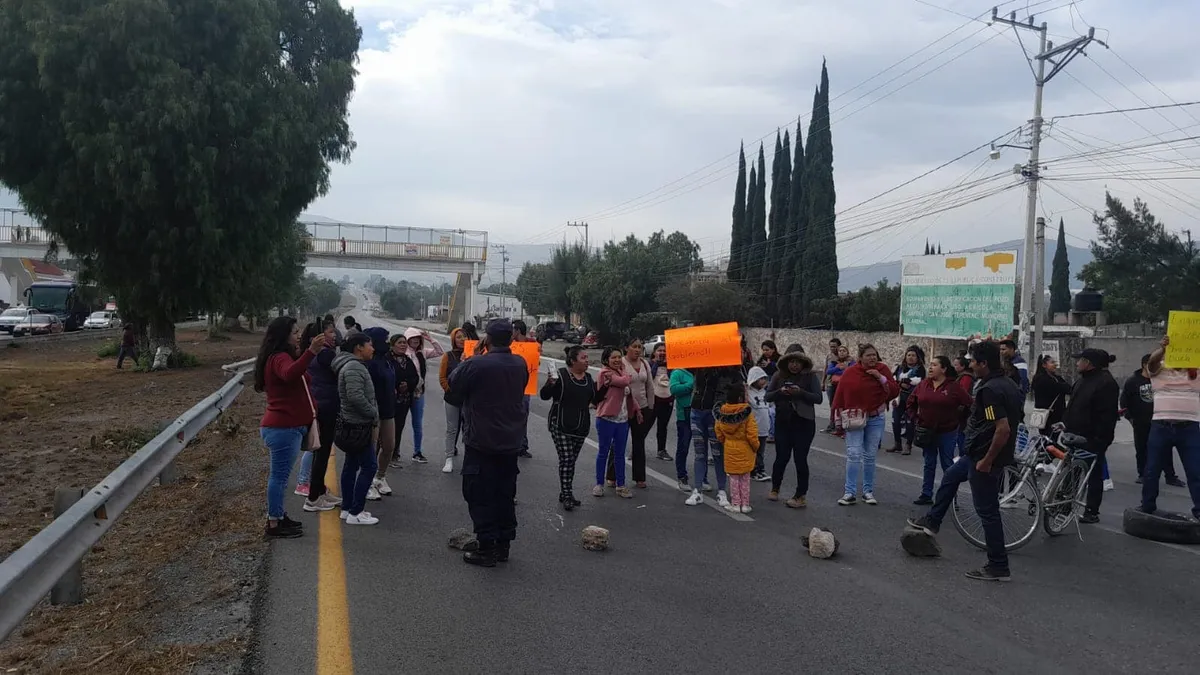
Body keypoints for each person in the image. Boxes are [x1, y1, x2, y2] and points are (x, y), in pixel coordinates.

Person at [907, 340, 1022, 582]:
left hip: (985, 457)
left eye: (973, 362)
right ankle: (933, 521)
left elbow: (1001, 428)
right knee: (950, 477)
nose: (971, 366)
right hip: (976, 453)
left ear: (983, 363)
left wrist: (987, 460)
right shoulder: (1007, 384)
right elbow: (999, 420)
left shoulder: (990, 391)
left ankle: (998, 566)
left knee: (988, 512)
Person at [448, 319, 529, 567]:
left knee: (479, 493)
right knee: (504, 493)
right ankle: (503, 544)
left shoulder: (476, 364)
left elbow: (453, 387)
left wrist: (469, 358)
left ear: (488, 339)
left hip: (481, 440)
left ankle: (486, 547)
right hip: (511, 440)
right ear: (512, 339)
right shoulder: (520, 363)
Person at [254, 316, 324, 538]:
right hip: (283, 428)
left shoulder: (283, 356)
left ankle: (278, 515)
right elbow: (289, 373)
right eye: (294, 332)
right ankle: (274, 524)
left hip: (288, 427)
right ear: (283, 335)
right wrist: (311, 352)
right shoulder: (278, 358)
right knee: (279, 478)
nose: (298, 335)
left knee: (281, 477)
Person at [1138, 336, 1200, 522]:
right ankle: (1147, 505)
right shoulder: (1159, 369)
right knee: (1152, 470)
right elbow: (1152, 362)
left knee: (1195, 471)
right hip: (1161, 426)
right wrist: (1163, 349)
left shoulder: (1195, 371)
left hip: (1189, 428)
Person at [832, 344, 900, 506]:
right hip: (855, 418)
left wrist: (880, 377)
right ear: (860, 357)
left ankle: (868, 492)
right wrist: (838, 419)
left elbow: (894, 390)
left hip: (876, 417)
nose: (872, 358)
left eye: (874, 355)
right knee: (854, 454)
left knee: (870, 455)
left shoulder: (882, 369)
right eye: (868, 355)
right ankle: (849, 492)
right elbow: (841, 395)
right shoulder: (851, 372)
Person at [1061, 348, 1119, 524]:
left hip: (1092, 438)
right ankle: (1064, 504)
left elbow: (1107, 416)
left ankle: (1092, 511)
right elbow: (1073, 406)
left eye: (1080, 360)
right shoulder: (1082, 380)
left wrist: (1099, 439)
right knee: (1070, 471)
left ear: (1089, 363)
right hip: (1074, 434)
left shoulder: (1106, 383)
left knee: (1093, 474)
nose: (1077, 363)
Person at [905, 355, 972, 506]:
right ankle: (926, 494)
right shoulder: (924, 384)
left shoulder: (953, 387)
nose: (930, 367)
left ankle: (950, 498)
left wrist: (962, 420)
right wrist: (916, 418)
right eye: (930, 364)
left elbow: (970, 404)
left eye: (934, 365)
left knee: (947, 465)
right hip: (927, 431)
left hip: (947, 431)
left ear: (944, 369)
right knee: (929, 463)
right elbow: (911, 402)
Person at [332, 333, 381, 526]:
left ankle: (347, 508)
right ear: (359, 347)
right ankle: (356, 511)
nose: (373, 349)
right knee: (369, 466)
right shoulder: (353, 367)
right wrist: (373, 413)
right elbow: (355, 396)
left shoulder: (354, 365)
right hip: (357, 425)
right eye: (370, 345)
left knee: (351, 465)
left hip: (353, 424)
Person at [765, 349, 823, 508]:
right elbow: (768, 396)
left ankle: (800, 495)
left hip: (804, 422)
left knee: (800, 459)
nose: (794, 365)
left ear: (803, 363)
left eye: (798, 362)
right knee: (781, 457)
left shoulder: (810, 377)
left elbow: (818, 398)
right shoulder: (778, 376)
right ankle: (775, 488)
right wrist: (780, 392)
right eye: (791, 362)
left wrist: (800, 392)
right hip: (783, 422)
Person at [296, 320, 343, 514]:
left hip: (319, 405)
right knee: (322, 453)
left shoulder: (313, 353)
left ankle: (320, 490)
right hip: (326, 406)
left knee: (320, 452)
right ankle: (313, 497)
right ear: (320, 336)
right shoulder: (326, 354)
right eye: (330, 332)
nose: (335, 335)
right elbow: (341, 373)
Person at [540, 346, 594, 511]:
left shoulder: (588, 378)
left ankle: (565, 491)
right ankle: (567, 494)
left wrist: (606, 386)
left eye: (587, 357)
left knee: (571, 461)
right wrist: (550, 383)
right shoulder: (561, 376)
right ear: (572, 361)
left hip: (581, 425)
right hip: (560, 423)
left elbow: (595, 399)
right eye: (583, 358)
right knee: (567, 459)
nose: (587, 361)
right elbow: (544, 396)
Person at [1122, 353, 1186, 486]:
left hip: (1161, 421)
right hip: (1141, 422)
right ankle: (1143, 474)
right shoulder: (1133, 381)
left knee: (1166, 449)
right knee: (1142, 448)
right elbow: (1124, 402)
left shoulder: (1160, 380)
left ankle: (1170, 476)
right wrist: (1131, 418)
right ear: (1145, 365)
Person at [685, 364, 741, 507]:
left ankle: (722, 491)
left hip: (716, 413)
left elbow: (738, 386)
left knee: (718, 453)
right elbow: (687, 367)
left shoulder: (729, 370)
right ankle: (698, 490)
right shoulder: (699, 366)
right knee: (699, 453)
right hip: (697, 410)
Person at [392, 327, 445, 464]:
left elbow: (440, 351)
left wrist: (430, 339)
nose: (415, 341)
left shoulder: (421, 353)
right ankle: (394, 452)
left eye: (417, 338)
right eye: (412, 338)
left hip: (418, 393)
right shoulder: (404, 353)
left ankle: (417, 452)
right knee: (399, 424)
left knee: (417, 424)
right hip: (404, 393)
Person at [607, 337, 654, 488]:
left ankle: (640, 477)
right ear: (627, 348)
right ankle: (612, 475)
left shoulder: (645, 363)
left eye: (640, 347)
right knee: (618, 442)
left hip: (642, 408)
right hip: (623, 408)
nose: (637, 350)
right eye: (634, 346)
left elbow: (650, 386)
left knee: (639, 442)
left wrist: (650, 407)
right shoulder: (620, 363)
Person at [594, 347, 639, 499]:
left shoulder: (621, 372)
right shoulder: (605, 373)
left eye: (619, 357)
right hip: (606, 419)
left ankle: (621, 485)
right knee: (603, 452)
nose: (617, 360)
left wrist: (636, 410)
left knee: (620, 454)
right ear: (606, 360)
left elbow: (628, 394)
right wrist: (626, 371)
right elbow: (625, 381)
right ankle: (599, 484)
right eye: (613, 357)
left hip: (623, 420)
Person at [359, 328, 397, 500]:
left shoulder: (387, 360)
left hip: (388, 409)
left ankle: (380, 477)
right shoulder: (368, 362)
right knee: (371, 449)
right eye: (385, 339)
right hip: (373, 411)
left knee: (389, 445)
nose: (388, 343)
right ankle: (366, 483)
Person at [715, 385, 759, 514]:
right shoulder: (747, 413)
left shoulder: (722, 412)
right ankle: (745, 504)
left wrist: (726, 442)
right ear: (740, 397)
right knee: (745, 478)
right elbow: (752, 434)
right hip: (745, 449)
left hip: (730, 448)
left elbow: (719, 432)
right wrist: (755, 447)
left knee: (733, 478)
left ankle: (735, 504)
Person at [887, 346, 926, 455]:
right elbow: (893, 379)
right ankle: (897, 444)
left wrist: (905, 381)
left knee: (910, 422)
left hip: (912, 399)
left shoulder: (920, 369)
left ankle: (908, 445)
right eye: (908, 355)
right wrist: (901, 383)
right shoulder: (899, 368)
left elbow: (918, 381)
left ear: (917, 358)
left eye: (913, 355)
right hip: (899, 398)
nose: (910, 357)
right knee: (895, 421)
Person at [439, 328, 468, 474]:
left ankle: (469, 460)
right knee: (452, 429)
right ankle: (449, 458)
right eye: (458, 337)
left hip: (469, 399)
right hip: (452, 398)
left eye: (464, 337)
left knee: (468, 429)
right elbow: (442, 377)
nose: (462, 339)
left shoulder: (473, 355)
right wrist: (449, 389)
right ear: (453, 340)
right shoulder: (448, 356)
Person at [511, 320, 537, 459]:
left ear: (518, 331)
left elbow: (535, 362)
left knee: (523, 415)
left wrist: (537, 355)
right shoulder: (509, 344)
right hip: (511, 385)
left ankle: (522, 445)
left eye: (513, 330)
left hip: (526, 386)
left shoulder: (531, 343)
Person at [669, 366, 695, 491]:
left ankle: (703, 478)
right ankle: (682, 476)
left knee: (702, 449)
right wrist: (691, 385)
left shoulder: (702, 371)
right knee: (683, 446)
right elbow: (674, 389)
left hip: (700, 412)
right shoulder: (678, 372)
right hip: (684, 415)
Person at [1031, 355, 1072, 435]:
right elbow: (1067, 389)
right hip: (1051, 416)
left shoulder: (1053, 378)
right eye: (1052, 362)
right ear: (1044, 365)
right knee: (1050, 438)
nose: (1055, 365)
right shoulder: (1044, 380)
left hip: (1045, 416)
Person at [746, 366, 772, 482]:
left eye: (764, 378)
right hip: (754, 428)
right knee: (753, 450)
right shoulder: (749, 393)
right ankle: (753, 470)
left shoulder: (765, 393)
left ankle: (760, 469)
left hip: (764, 428)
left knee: (761, 451)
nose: (763, 381)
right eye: (760, 379)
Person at [649, 343, 675, 462]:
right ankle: (637, 449)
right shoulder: (649, 364)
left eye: (664, 351)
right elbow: (649, 378)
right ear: (654, 352)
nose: (662, 353)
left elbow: (674, 379)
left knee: (663, 426)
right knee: (646, 425)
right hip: (653, 400)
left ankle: (661, 450)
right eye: (659, 350)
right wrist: (656, 364)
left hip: (667, 400)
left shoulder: (671, 366)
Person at [823, 345, 854, 433]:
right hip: (835, 387)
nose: (842, 352)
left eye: (844, 351)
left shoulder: (851, 362)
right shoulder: (834, 362)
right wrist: (837, 368)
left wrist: (844, 369)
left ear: (847, 352)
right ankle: (836, 426)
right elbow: (829, 371)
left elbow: (853, 371)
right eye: (840, 351)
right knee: (835, 406)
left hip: (846, 387)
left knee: (845, 406)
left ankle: (846, 426)